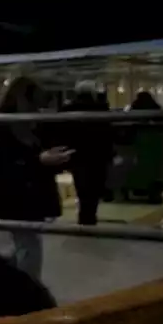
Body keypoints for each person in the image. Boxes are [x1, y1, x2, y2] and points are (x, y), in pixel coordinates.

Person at [0, 77, 70, 282]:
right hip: (16, 194)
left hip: (24, 194)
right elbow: (4, 160)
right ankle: (28, 293)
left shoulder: (24, 125)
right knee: (29, 246)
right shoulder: (4, 125)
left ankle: (3, 275)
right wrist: (39, 159)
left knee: (26, 245)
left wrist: (46, 157)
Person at [57, 81, 112, 225]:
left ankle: (84, 215)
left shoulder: (68, 109)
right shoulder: (101, 109)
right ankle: (90, 215)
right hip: (97, 154)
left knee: (81, 186)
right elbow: (108, 133)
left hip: (77, 154)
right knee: (95, 187)